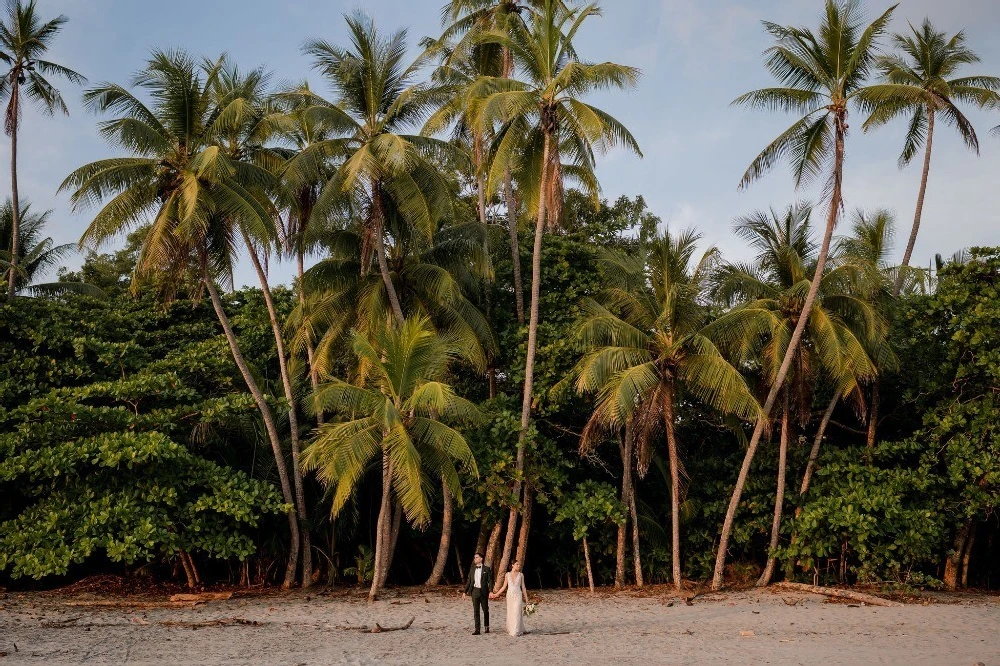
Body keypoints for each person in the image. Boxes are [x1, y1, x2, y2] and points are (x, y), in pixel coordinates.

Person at [490, 560, 530, 636]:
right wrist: (496, 594)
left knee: (517, 611)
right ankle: (512, 628)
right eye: (517, 564)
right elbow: (504, 587)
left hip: (518, 595)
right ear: (512, 565)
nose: (519, 566)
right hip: (510, 596)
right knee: (511, 612)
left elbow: (523, 587)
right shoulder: (507, 574)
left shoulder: (521, 575)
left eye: (519, 564)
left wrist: (527, 599)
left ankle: (516, 630)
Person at [462, 552, 493, 635]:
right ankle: (477, 629)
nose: (475, 559)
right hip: (474, 591)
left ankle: (486, 626)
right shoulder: (472, 569)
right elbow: (469, 581)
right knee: (476, 611)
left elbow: (490, 581)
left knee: (485, 610)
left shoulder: (487, 569)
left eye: (476, 557)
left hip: (483, 591)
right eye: (474, 557)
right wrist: (465, 592)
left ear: (481, 559)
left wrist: (490, 591)